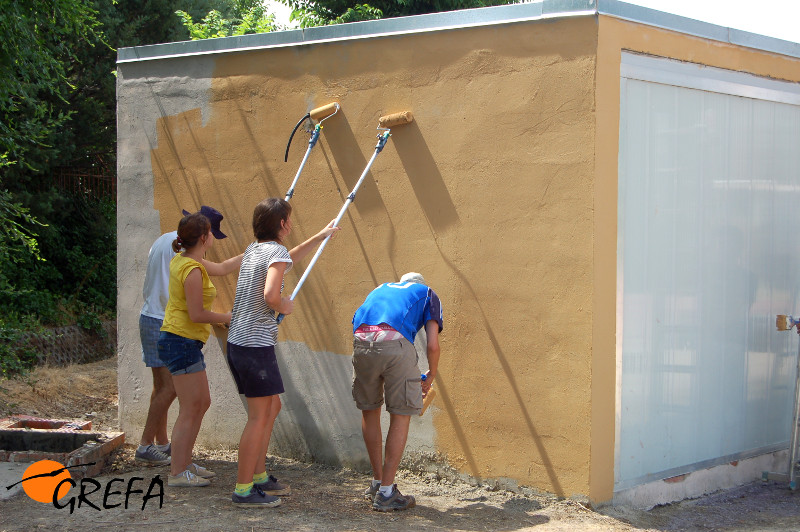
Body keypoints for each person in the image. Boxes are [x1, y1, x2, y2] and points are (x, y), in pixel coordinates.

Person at [226, 197, 339, 507]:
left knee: (271, 408)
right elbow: (271, 294)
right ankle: (244, 489)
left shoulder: (256, 249)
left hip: (239, 342)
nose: (291, 223)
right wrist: (282, 304)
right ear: (282, 224)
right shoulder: (273, 252)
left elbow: (286, 258)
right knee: (259, 417)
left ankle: (259, 476)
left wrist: (319, 236)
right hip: (254, 346)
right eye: (289, 219)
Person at [158, 206, 243, 487]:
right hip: (180, 342)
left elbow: (221, 268)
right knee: (191, 406)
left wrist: (252, 253)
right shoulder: (192, 269)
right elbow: (196, 314)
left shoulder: (188, 261)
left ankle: (184, 462)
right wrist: (227, 317)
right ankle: (178, 472)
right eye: (211, 234)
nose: (213, 238)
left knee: (200, 403)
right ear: (206, 237)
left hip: (183, 342)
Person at [351, 272, 443, 512]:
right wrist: (431, 373)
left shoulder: (381, 288)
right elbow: (432, 344)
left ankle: (377, 483)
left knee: (369, 410)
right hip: (395, 345)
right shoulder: (427, 293)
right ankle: (387, 492)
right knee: (400, 414)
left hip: (361, 341)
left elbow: (357, 318)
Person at [135, 229, 178, 465]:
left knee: (161, 386)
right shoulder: (180, 247)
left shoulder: (163, 239)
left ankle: (161, 443)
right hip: (161, 319)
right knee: (170, 388)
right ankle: (145, 445)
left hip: (150, 316)